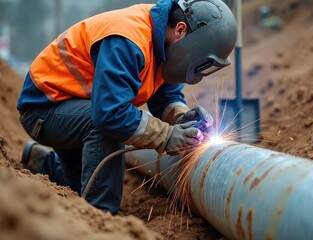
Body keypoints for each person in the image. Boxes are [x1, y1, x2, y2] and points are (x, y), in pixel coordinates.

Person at [17, 0, 237, 214]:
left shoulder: (164, 42)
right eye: (198, 63)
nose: (197, 72)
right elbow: (110, 113)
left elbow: (166, 97)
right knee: (105, 126)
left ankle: (43, 164)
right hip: (43, 109)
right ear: (180, 31)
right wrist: (166, 135)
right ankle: (100, 216)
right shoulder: (129, 39)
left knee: (75, 186)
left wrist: (182, 118)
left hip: (75, 108)